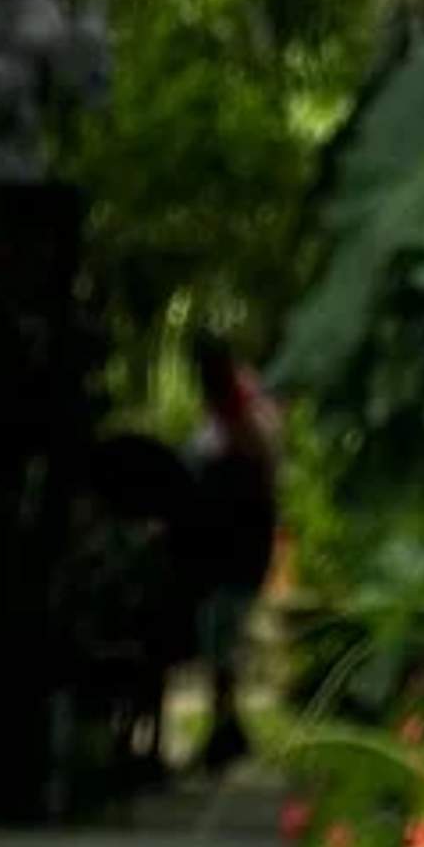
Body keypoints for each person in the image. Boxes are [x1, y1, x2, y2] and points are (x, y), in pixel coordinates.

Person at [176, 330, 283, 771]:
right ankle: (227, 730)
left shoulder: (247, 413)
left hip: (238, 548)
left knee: (225, 636)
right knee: (219, 640)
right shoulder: (220, 418)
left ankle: (226, 732)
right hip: (218, 549)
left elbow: (263, 469)